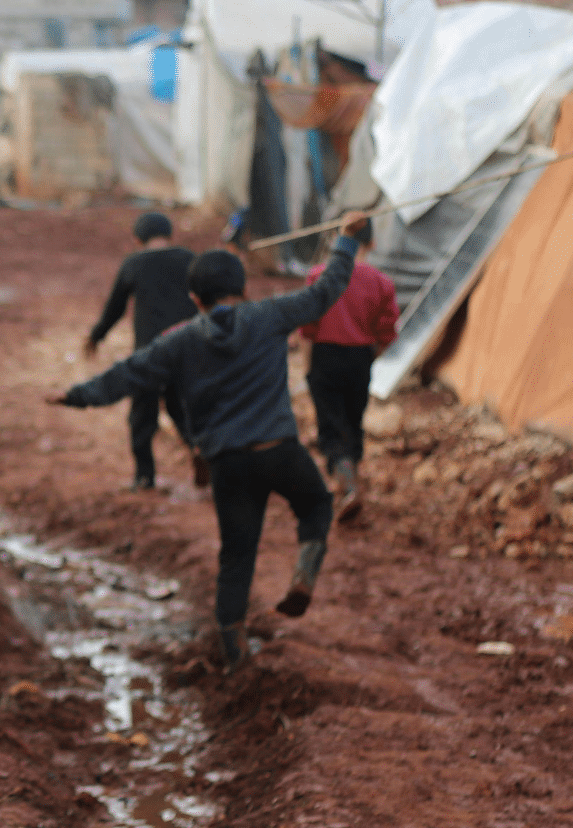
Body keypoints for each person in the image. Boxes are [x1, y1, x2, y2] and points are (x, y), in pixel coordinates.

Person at [51, 214, 371, 668]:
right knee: (316, 504)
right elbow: (324, 294)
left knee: (236, 556)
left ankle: (234, 650)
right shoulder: (269, 314)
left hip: (226, 463)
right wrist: (345, 242)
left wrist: (77, 396)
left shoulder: (179, 340)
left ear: (194, 299)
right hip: (278, 450)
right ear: (242, 289)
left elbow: (130, 373)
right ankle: (303, 573)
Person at [85, 212, 201, 490]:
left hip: (149, 353)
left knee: (142, 414)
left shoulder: (134, 263)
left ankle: (144, 476)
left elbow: (116, 307)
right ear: (170, 234)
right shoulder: (189, 259)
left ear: (137, 239)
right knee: (181, 406)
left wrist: (96, 336)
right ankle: (199, 449)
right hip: (185, 348)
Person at [300, 217, 398, 521]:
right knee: (353, 418)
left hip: (324, 355)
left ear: (335, 240)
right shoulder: (381, 282)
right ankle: (350, 477)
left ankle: (346, 480)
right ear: (372, 244)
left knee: (330, 420)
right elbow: (387, 331)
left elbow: (307, 328)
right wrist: (369, 356)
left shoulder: (319, 275)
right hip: (360, 358)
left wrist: (308, 366)